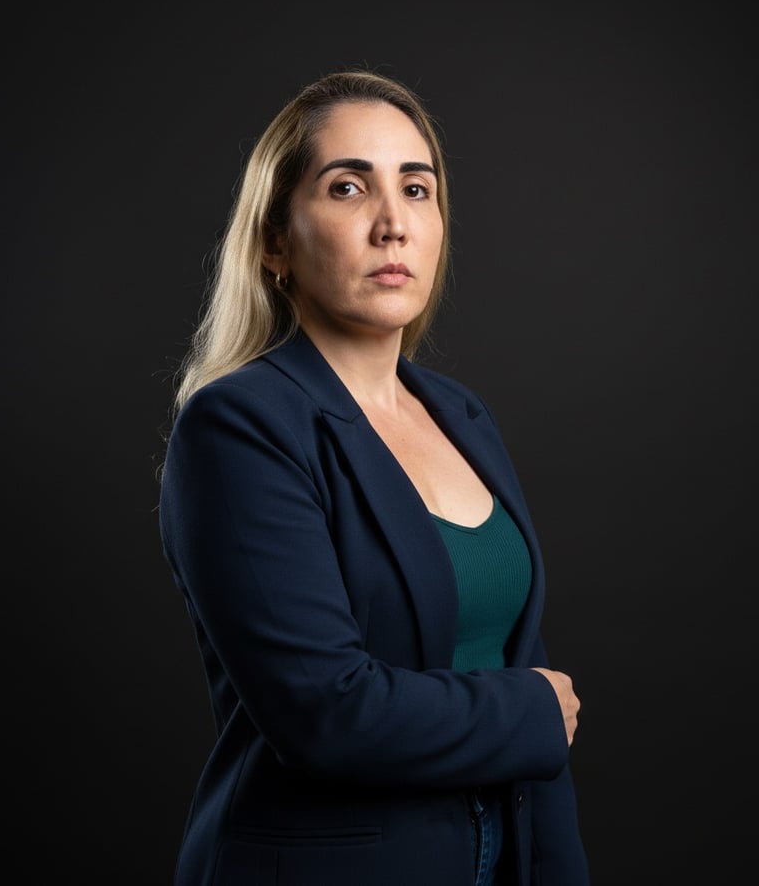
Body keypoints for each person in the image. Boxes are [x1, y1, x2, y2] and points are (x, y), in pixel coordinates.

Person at [158, 68, 590, 886]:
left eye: (416, 189)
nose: (393, 224)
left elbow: (513, 651)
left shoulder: (460, 414)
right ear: (275, 242)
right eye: (348, 187)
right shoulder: (238, 426)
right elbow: (325, 710)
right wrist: (532, 709)